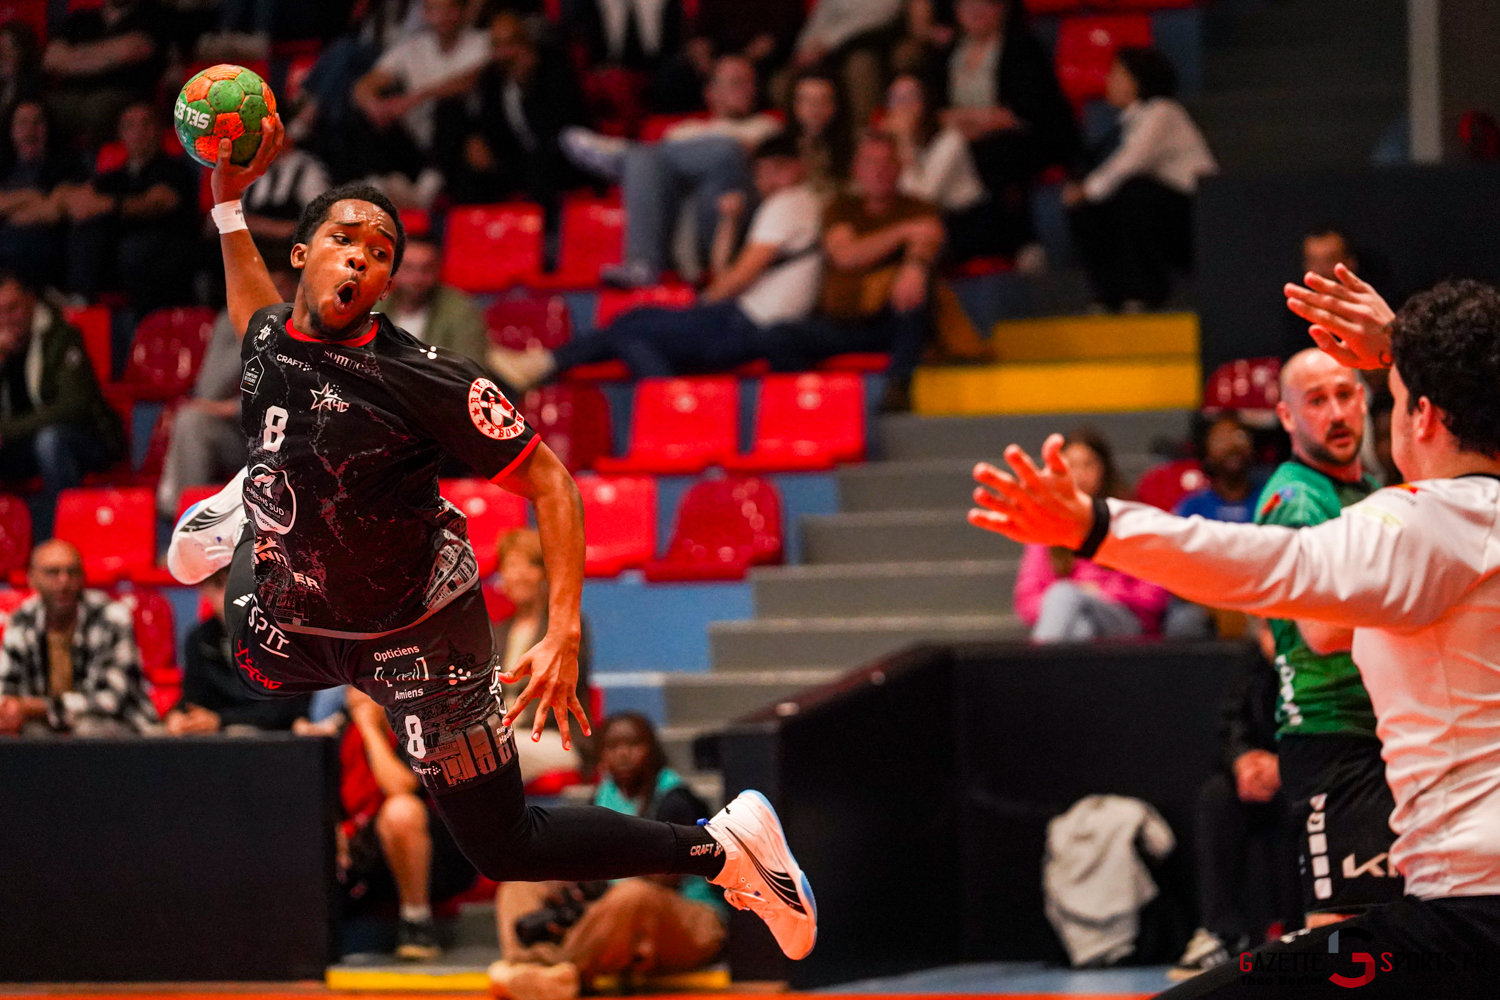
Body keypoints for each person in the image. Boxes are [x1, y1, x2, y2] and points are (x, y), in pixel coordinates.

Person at [164, 114, 816, 963]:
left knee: (504, 848)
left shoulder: (423, 377)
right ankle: (260, 499)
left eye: (379, 253)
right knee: (247, 656)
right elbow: (249, 301)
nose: (359, 258)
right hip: (311, 614)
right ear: (302, 254)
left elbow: (552, 482)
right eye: (343, 240)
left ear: (387, 283)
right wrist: (226, 205)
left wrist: (563, 627)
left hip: (420, 633)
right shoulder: (266, 338)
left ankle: (723, 850)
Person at [969, 266, 1500, 996]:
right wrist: (1408, 347)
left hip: (1466, 919)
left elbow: (1264, 566)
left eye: (1391, 398)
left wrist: (1094, 525)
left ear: (1427, 418)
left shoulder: (1423, 522)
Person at [1249, 347, 1401, 927]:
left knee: (1399, 926)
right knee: (1343, 934)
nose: (1336, 413)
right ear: (1287, 417)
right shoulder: (1297, 499)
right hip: (1333, 735)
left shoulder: (1370, 489)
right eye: (1316, 401)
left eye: (1344, 395)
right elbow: (1324, 629)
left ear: (1363, 399)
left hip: (1386, 732)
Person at [491, 133, 822, 388]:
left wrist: (701, 307)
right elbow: (725, 272)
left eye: (777, 171)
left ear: (799, 167)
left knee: (630, 333)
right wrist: (729, 221)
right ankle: (546, 364)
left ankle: (664, 401)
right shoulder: (786, 206)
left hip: (747, 323)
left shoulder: (790, 203)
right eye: (761, 174)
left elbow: (738, 278)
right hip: (738, 316)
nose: (768, 183)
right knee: (634, 321)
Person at [489, 713, 726, 1000]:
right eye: (613, 747)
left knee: (633, 895)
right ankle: (533, 968)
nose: (623, 754)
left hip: (690, 921)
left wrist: (595, 885)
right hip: (611, 918)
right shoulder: (601, 797)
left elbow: (666, 880)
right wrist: (566, 884)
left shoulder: (675, 799)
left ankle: (557, 973)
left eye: (634, 745)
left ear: (652, 750)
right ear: (602, 755)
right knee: (518, 886)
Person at [756, 131, 940, 412]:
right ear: (856, 170)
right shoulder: (841, 208)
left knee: (916, 298)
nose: (879, 171)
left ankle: (898, 391)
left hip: (888, 321)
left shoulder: (919, 207)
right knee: (776, 336)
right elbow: (846, 255)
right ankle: (813, 407)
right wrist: (904, 232)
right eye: (870, 163)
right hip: (840, 321)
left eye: (887, 162)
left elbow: (928, 241)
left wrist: (914, 267)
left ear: (899, 167)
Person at [561, 55, 781, 288]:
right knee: (646, 160)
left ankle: (622, 157)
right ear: (711, 93)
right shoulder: (685, 130)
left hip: (732, 223)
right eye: (737, 83)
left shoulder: (767, 127)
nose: (747, 90)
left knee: (726, 151)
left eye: (750, 83)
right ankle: (643, 263)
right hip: (683, 231)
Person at [1171, 636, 1300, 979]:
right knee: (1217, 797)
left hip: (1314, 776)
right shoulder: (1253, 660)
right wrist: (1243, 759)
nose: (1271, 636)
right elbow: (1231, 723)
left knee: (1303, 803)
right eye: (1265, 627)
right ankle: (1222, 933)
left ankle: (1300, 931)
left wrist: (1287, 766)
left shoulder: (1327, 656)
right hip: (1262, 777)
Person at [1063, 48, 1217, 312]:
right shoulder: (1127, 122)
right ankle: (1112, 294)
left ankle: (1147, 291)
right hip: (1162, 210)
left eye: (1116, 74)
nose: (1108, 81)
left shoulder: (1164, 111)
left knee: (1134, 193)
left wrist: (1086, 190)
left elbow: (1131, 162)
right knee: (1089, 208)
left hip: (1196, 214)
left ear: (1136, 81)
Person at [337, 685, 479, 960]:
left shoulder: (418, 730)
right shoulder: (343, 735)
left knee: (401, 811)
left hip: (437, 852)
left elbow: (400, 787)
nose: (356, 698)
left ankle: (417, 922)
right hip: (369, 854)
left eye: (364, 688)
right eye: (351, 689)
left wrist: (369, 730)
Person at [938, 0, 1078, 263]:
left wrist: (969, 122)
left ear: (1001, 8)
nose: (975, 11)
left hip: (1029, 136)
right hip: (965, 140)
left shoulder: (1022, 47)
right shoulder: (948, 53)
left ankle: (1020, 242)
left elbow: (1021, 112)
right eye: (966, 5)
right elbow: (938, 112)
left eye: (983, 4)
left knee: (994, 154)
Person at [157, 266, 300, 520]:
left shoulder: (305, 327)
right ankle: (187, 521)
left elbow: (293, 398)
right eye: (262, 287)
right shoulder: (233, 321)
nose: (270, 295)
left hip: (290, 437)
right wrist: (251, 335)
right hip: (243, 438)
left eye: (279, 287)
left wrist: (232, 408)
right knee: (192, 421)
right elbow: (208, 391)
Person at [453, 11, 587, 269]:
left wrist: (526, 85)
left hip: (562, 158)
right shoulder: (493, 77)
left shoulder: (554, 67)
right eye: (497, 45)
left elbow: (557, 129)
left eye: (510, 43)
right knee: (470, 169)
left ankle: (543, 247)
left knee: (540, 165)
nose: (505, 52)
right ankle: (476, 247)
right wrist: (476, 140)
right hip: (516, 159)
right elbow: (487, 124)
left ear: (526, 43)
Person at [1013, 428, 1169, 642]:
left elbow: (1153, 596)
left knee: (1064, 594)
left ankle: (1034, 662)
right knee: (1081, 628)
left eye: (1088, 464)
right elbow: (1026, 602)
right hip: (1072, 620)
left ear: (1104, 468)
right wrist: (1076, 597)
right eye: (1071, 465)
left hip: (1128, 622)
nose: (1080, 474)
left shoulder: (1128, 519)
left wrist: (1097, 594)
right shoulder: (1047, 524)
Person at [0, 270, 124, 538]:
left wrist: (7, 431)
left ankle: (63, 539)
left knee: (50, 441)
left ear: (31, 301)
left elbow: (73, 407)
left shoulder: (61, 336)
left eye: (12, 308)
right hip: (23, 445)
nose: (6, 320)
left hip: (85, 439)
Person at [0, 539, 155, 736]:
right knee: (24, 732)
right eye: (52, 572)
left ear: (83, 577)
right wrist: (10, 710)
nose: (64, 581)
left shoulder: (111, 617)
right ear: (32, 579)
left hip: (120, 727)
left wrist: (39, 708)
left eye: (72, 572)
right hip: (44, 726)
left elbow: (110, 700)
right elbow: (6, 688)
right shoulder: (22, 619)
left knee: (88, 730)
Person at [60, 101, 198, 312]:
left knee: (134, 249)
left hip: (166, 249)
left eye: (146, 124)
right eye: (130, 126)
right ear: (121, 134)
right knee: (82, 233)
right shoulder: (114, 177)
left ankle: (141, 319)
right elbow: (79, 202)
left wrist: (109, 205)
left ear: (159, 130)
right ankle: (81, 306)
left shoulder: (175, 169)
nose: (139, 132)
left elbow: (159, 202)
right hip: (119, 255)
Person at [350, 0, 490, 208]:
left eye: (450, 9)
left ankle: (426, 192)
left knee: (448, 108)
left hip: (461, 144)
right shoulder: (412, 46)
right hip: (415, 141)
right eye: (435, 10)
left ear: (463, 11)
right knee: (367, 111)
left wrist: (414, 98)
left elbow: (472, 78)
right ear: (424, 13)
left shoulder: (482, 42)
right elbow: (364, 85)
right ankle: (377, 184)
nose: (443, 17)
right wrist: (374, 106)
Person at [490, 529, 592, 783]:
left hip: (555, 737)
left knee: (493, 749)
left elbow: (558, 687)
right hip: (507, 737)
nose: (518, 575)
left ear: (546, 573)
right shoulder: (497, 632)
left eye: (529, 565)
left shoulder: (567, 627)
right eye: (510, 566)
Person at [164, 567, 311, 735]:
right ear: (204, 591)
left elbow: (288, 708)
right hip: (220, 739)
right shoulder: (200, 639)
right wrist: (177, 715)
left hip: (274, 739)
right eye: (219, 585)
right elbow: (194, 697)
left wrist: (220, 720)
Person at [881, 73, 995, 261]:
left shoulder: (951, 140)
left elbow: (922, 199)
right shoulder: (893, 145)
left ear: (925, 102)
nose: (902, 107)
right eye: (895, 99)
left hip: (966, 224)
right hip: (928, 223)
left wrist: (904, 141)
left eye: (909, 98)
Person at [1164, 415, 1260, 639]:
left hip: (1260, 599)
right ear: (1206, 453)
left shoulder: (1270, 500)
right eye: (1221, 440)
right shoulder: (1191, 508)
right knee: (1182, 622)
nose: (1232, 446)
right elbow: (1174, 571)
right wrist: (1215, 606)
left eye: (1239, 437)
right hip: (1205, 601)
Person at [42, 0, 165, 149]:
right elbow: (51, 59)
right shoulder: (81, 18)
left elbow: (133, 49)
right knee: (37, 109)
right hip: (73, 94)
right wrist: (107, 55)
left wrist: (73, 57)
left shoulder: (150, 15)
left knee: (97, 110)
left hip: (124, 94)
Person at [786, 0, 905, 143]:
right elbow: (819, 19)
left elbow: (877, 17)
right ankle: (794, 140)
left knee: (860, 65)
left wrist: (828, 43)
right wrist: (804, 47)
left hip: (871, 46)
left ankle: (860, 134)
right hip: (829, 54)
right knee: (783, 79)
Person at [371, 238, 490, 370]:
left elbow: (469, 369)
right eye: (408, 268)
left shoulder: (461, 310)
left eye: (426, 268)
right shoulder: (374, 306)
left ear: (438, 269)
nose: (417, 278)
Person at [0, 99, 80, 290]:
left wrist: (8, 210)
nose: (30, 130)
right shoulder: (4, 166)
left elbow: (52, 212)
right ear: (11, 130)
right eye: (22, 123)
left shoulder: (66, 166)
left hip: (40, 253)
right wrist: (30, 196)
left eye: (37, 122)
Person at [784, 70, 852, 195]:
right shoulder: (780, 147)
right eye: (806, 100)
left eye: (823, 100)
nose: (814, 107)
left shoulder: (853, 147)